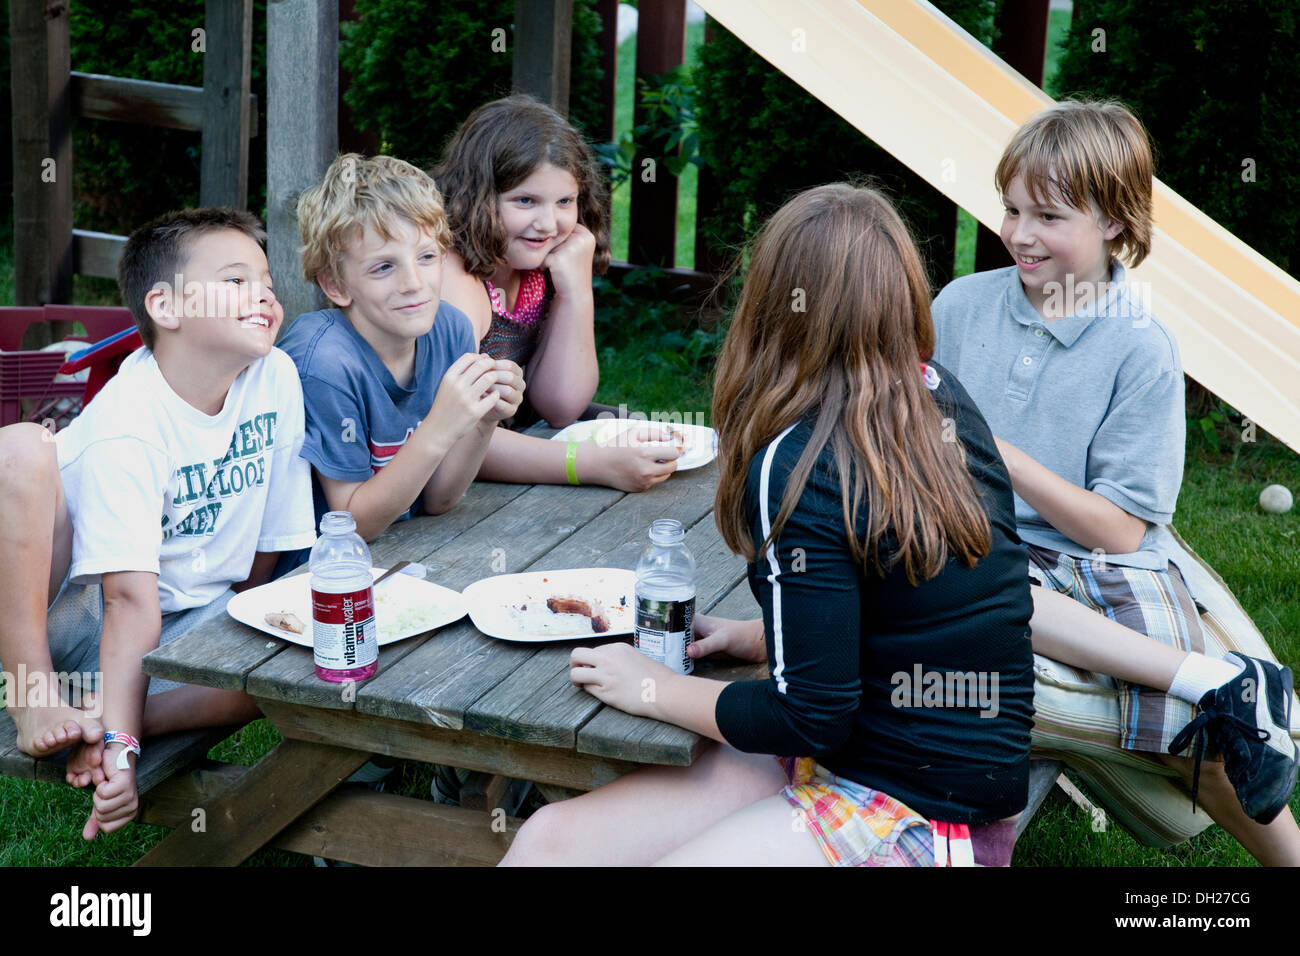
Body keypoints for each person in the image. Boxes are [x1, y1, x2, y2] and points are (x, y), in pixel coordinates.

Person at [501, 183, 1039, 867]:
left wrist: (653, 687)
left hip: (919, 819)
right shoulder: (936, 391)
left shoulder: (797, 462)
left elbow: (811, 714)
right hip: (876, 766)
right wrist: (762, 638)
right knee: (548, 844)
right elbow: (914, 601)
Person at [931, 99, 1299, 863]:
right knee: (978, 611)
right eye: (1011, 208)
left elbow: (1122, 531)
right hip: (982, 548)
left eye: (1050, 216)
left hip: (1103, 560)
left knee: (1195, 730)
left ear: (1116, 224)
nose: (1020, 234)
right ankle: (1216, 685)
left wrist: (999, 453)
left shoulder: (1140, 347)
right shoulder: (961, 307)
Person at [0, 208, 317, 839]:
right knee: (21, 448)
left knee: (308, 661)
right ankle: (33, 693)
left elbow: (266, 551)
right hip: (68, 607)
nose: (263, 294)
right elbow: (126, 601)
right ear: (166, 308)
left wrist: (249, 638)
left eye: (268, 283)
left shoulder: (276, 377)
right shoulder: (132, 419)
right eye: (235, 281)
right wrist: (122, 752)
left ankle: (119, 714)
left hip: (174, 626)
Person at [435, 95, 684, 493]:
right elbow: (454, 436)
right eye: (525, 201)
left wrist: (576, 293)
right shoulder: (455, 275)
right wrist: (589, 465)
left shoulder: (539, 268)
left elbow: (561, 407)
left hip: (521, 449)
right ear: (476, 196)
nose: (548, 224)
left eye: (565, 201)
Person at [278, 153, 526, 543]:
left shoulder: (450, 328)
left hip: (400, 554)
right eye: (383, 267)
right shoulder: (324, 362)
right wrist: (439, 426)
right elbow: (351, 526)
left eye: (426, 257)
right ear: (335, 285)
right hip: (316, 575)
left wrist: (483, 419)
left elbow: (439, 499)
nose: (414, 283)